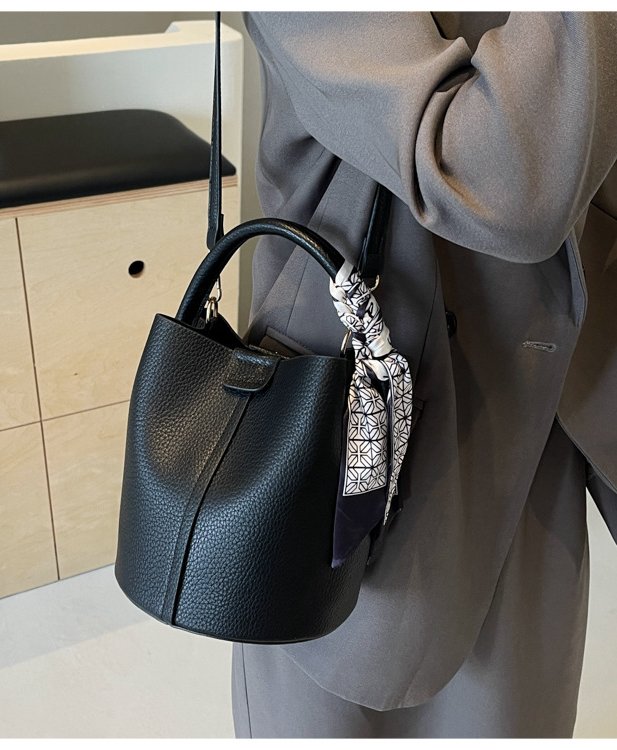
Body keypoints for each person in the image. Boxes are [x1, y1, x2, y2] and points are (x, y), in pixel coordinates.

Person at [231, 11, 617, 738]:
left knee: (511, 708)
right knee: (342, 687)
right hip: (353, 434)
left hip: (546, 410)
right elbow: (507, 176)